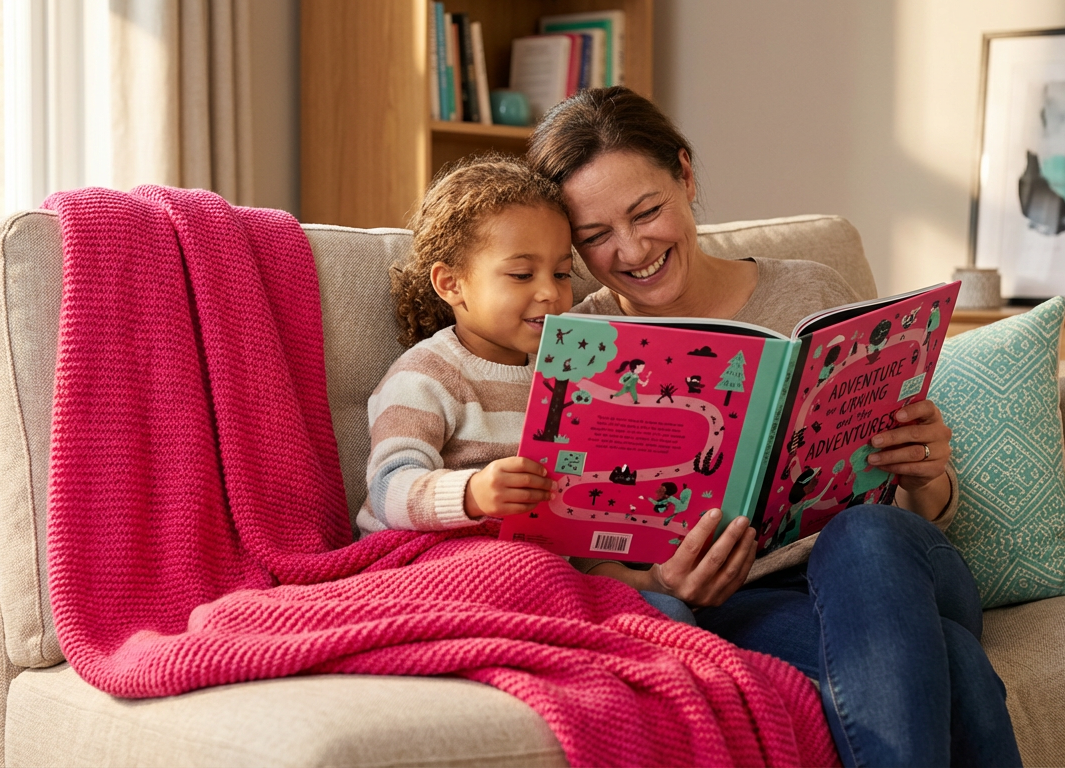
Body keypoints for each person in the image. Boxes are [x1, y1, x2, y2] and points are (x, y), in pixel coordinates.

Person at [528, 87, 1022, 768]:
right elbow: (567, 544)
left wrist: (926, 472)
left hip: (892, 558)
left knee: (865, 530)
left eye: (647, 212)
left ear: (686, 174)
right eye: (595, 236)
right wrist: (661, 584)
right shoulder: (578, 345)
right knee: (958, 664)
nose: (632, 249)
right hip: (743, 600)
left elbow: (920, 512)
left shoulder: (812, 291)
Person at [358, 155, 697, 625]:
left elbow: (572, 525)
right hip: (437, 562)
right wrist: (473, 493)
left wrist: (649, 580)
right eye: (522, 275)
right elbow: (386, 487)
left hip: (540, 569)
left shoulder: (565, 373)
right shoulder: (425, 375)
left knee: (670, 615)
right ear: (451, 283)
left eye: (560, 274)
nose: (550, 293)